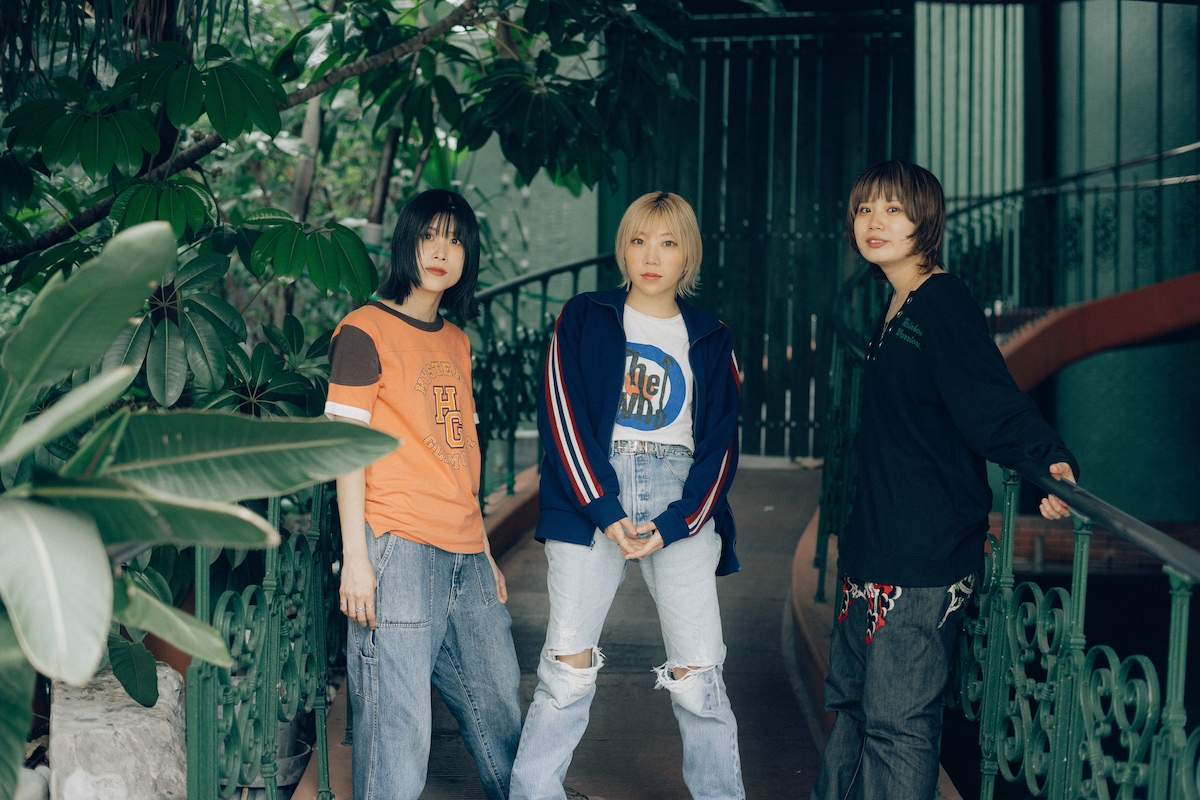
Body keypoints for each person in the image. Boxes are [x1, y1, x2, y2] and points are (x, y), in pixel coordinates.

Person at [811, 161, 1078, 800]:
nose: (874, 222)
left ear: (925, 222)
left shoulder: (943, 301)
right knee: (853, 709)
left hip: (923, 554)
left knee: (898, 723)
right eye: (865, 209)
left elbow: (989, 398)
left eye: (894, 210)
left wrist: (1046, 461)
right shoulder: (896, 302)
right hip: (876, 543)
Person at [509, 192, 745, 800]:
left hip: (679, 494)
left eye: (668, 243)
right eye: (639, 241)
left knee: (698, 673)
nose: (652, 257)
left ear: (688, 255)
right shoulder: (583, 316)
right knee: (567, 666)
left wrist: (678, 522)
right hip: (592, 492)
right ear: (623, 249)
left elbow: (720, 445)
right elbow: (562, 415)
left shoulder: (712, 337)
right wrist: (604, 507)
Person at [325, 189, 522, 800]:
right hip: (398, 546)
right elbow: (343, 448)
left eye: (456, 241)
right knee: (398, 725)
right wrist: (356, 557)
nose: (441, 251)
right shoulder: (363, 330)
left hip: (465, 549)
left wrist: (484, 549)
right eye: (430, 235)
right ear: (406, 241)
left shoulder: (456, 341)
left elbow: (462, 453)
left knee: (500, 702)